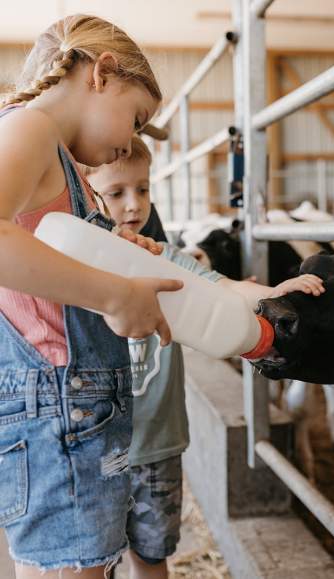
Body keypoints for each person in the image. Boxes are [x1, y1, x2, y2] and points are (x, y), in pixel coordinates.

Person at [84, 136, 324, 579]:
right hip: (94, 446)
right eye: (117, 193)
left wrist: (271, 292)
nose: (134, 205)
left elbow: (221, 285)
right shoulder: (75, 269)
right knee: (95, 561)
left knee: (153, 556)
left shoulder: (165, 261)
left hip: (158, 444)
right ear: (85, 189)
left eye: (144, 189)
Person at [0, 14, 186, 579]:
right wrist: (114, 293)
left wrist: (119, 253)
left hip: (72, 404)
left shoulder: (63, 165)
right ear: (100, 74)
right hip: (56, 401)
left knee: (81, 568)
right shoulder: (31, 129)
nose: (129, 142)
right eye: (136, 118)